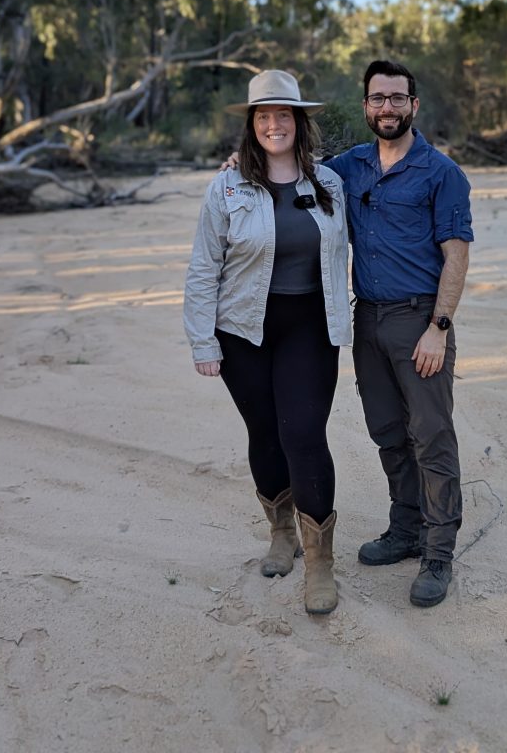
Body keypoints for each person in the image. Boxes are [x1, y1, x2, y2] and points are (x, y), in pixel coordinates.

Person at [184, 69, 352, 616]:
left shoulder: (331, 184)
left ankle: (320, 561)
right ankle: (281, 533)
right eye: (264, 116)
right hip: (242, 331)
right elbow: (204, 266)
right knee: (265, 433)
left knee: (303, 433)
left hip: (311, 325)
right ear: (251, 124)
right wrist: (203, 341)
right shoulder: (227, 186)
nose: (274, 124)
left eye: (284, 114)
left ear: (299, 121)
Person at [323, 60, 473, 608]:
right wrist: (238, 164)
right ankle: (405, 529)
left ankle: (438, 553)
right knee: (387, 430)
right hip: (368, 320)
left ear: (414, 104)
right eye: (377, 98)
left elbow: (456, 256)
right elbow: (291, 172)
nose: (387, 108)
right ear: (365, 106)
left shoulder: (442, 173)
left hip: (419, 319)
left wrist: (439, 328)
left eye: (397, 98)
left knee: (431, 435)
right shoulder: (349, 167)